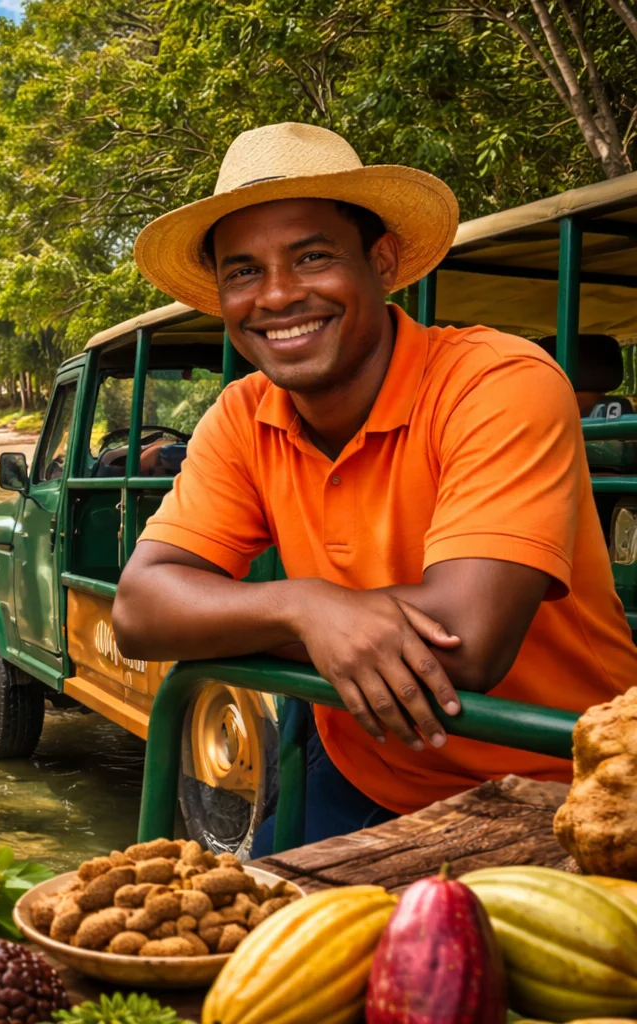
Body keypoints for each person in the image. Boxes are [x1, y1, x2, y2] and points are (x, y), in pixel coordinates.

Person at [111, 122, 637, 852]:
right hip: (361, 770)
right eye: (243, 272)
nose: (279, 295)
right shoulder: (243, 413)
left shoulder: (495, 382)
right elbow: (139, 606)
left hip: (562, 785)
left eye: (312, 256)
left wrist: (271, 614)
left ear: (382, 260)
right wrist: (302, 606)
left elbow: (465, 642)